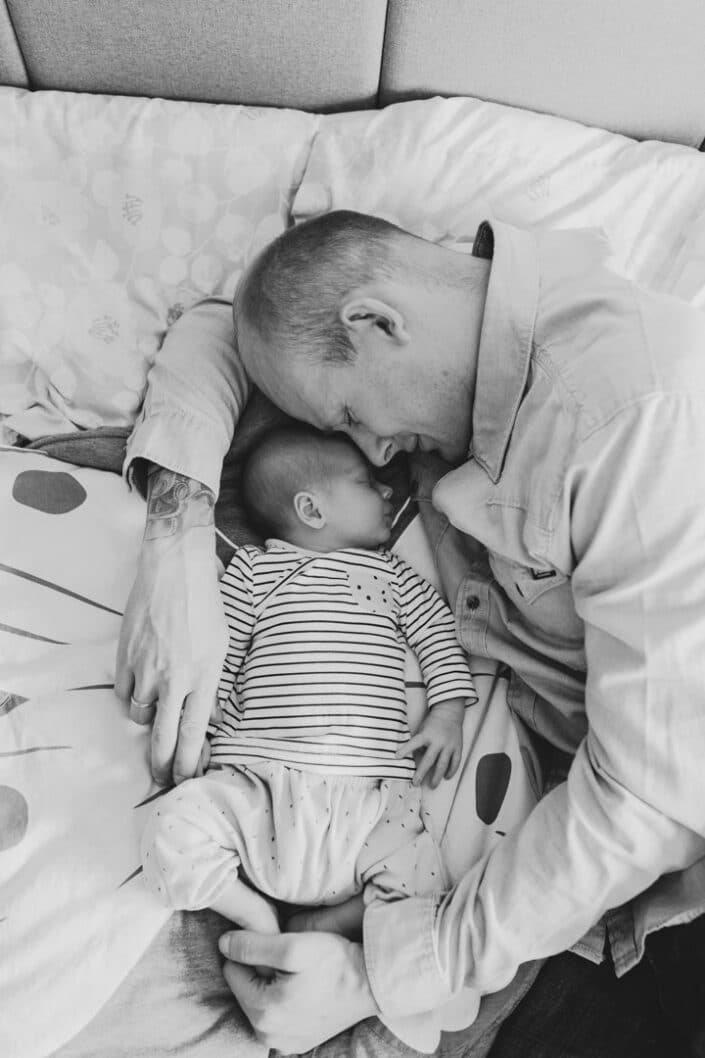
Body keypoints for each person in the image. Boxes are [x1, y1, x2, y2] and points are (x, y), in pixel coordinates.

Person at [117, 210, 705, 1056]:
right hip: (569, 872)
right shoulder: (465, 347)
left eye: (351, 415)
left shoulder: (631, 418)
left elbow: (647, 800)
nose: (376, 454)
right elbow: (217, 326)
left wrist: (377, 977)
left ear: (374, 322)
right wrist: (174, 547)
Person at [140, 425, 478, 950]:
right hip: (258, 786)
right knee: (168, 826)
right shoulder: (254, 570)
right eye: (368, 482)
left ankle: (330, 924)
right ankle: (254, 916)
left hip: (368, 802)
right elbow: (221, 653)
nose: (388, 491)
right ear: (312, 509)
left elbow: (437, 632)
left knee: (429, 888)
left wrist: (448, 712)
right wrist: (203, 726)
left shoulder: (396, 576)